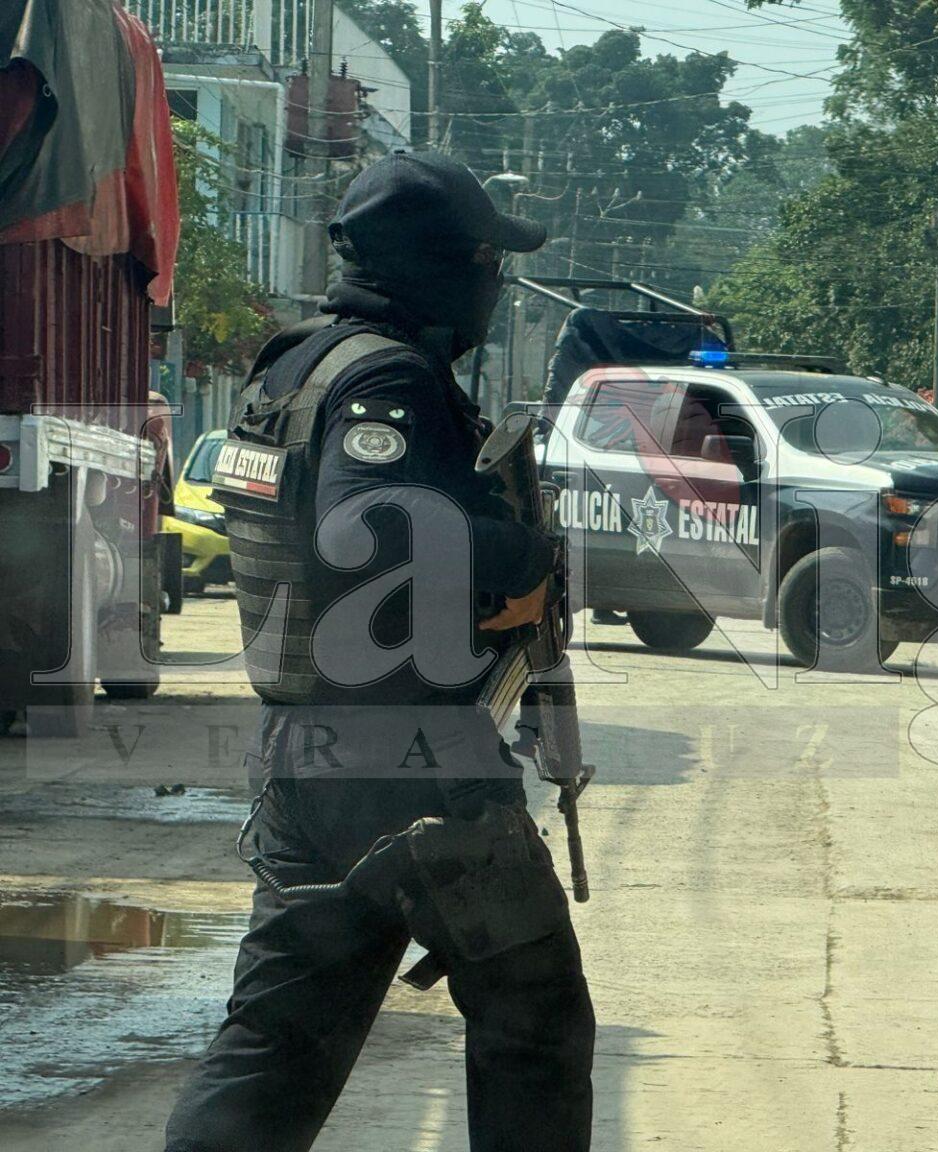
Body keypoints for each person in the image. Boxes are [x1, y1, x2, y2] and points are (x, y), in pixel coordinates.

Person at [163, 152, 595, 1152]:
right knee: (535, 1024)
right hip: (413, 773)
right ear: (440, 266)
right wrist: (524, 554)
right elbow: (370, 530)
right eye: (487, 258)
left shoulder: (297, 362)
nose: (495, 280)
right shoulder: (386, 379)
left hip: (311, 754)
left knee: (280, 1043)